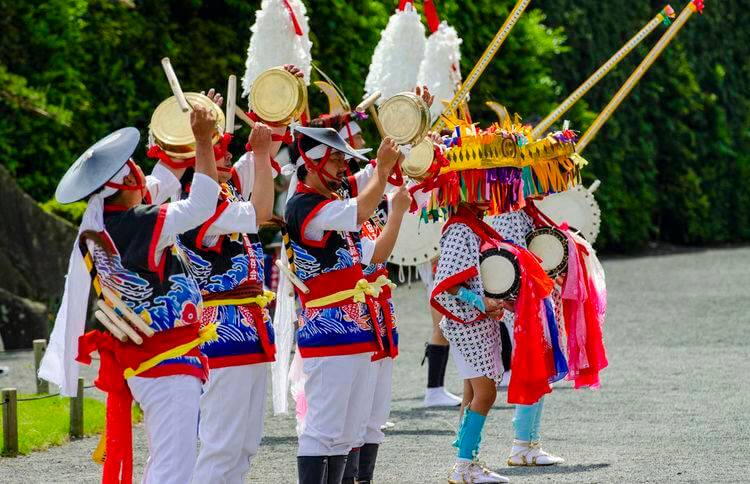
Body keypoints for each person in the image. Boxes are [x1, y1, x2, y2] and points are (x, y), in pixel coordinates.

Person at [41, 105, 221, 484]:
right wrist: (204, 140)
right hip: (166, 360)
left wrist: (189, 131)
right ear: (125, 187)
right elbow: (201, 204)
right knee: (173, 471)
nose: (144, 179)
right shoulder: (136, 223)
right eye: (137, 174)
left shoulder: (105, 224)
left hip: (150, 359)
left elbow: (163, 180)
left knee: (166, 463)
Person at [283, 125, 402, 483]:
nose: (341, 168)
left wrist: (393, 201)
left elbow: (373, 250)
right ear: (311, 162)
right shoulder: (304, 206)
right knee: (322, 429)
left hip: (356, 332)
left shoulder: (331, 208)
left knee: (348, 433)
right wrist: (380, 172)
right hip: (329, 331)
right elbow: (361, 210)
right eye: (335, 159)